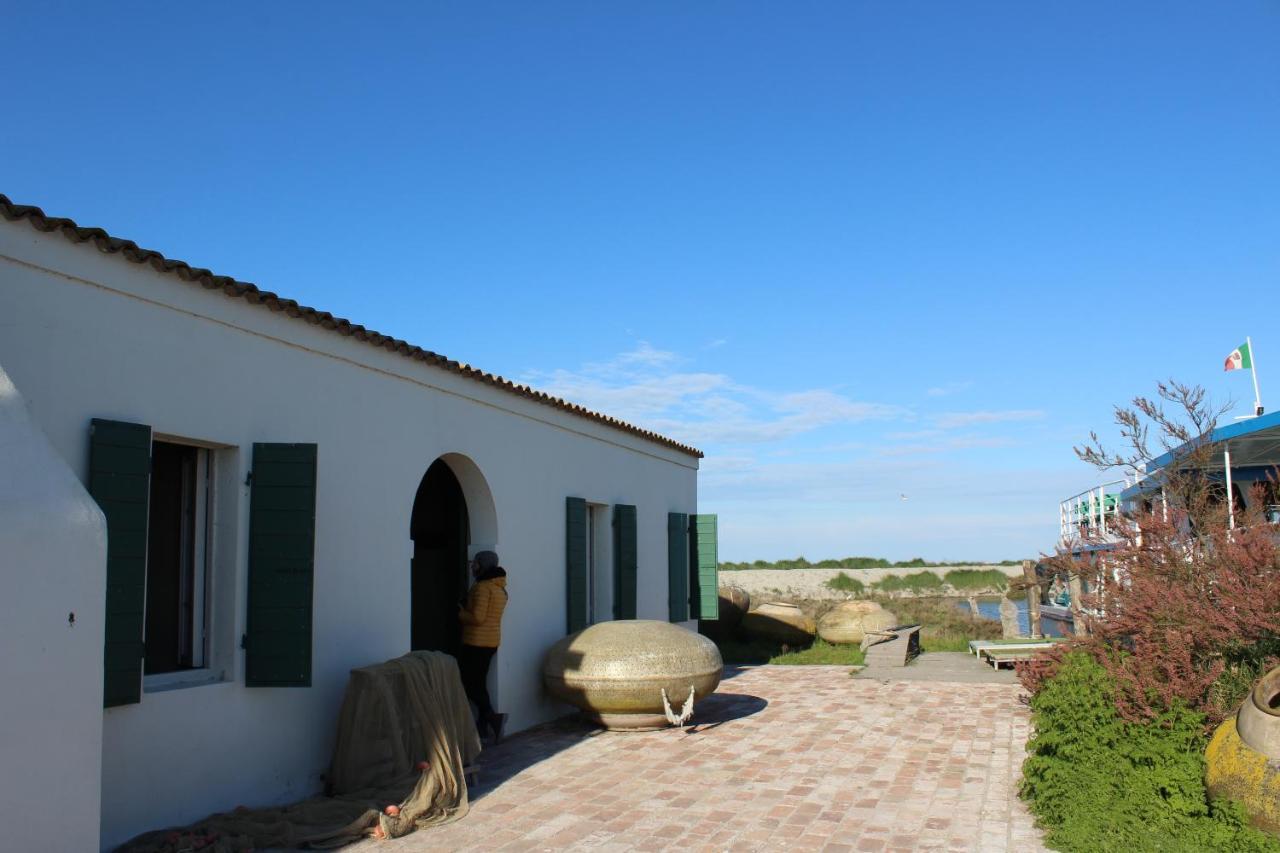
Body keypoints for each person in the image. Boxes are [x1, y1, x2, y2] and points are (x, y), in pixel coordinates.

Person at [457, 550, 508, 742]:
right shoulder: (500, 588)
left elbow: (478, 618)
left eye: (476, 564)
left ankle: (492, 717)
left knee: (469, 683)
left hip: (476, 642)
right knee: (478, 683)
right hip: (491, 642)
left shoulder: (482, 588)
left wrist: (460, 613)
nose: (472, 567)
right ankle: (485, 723)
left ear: (483, 565)